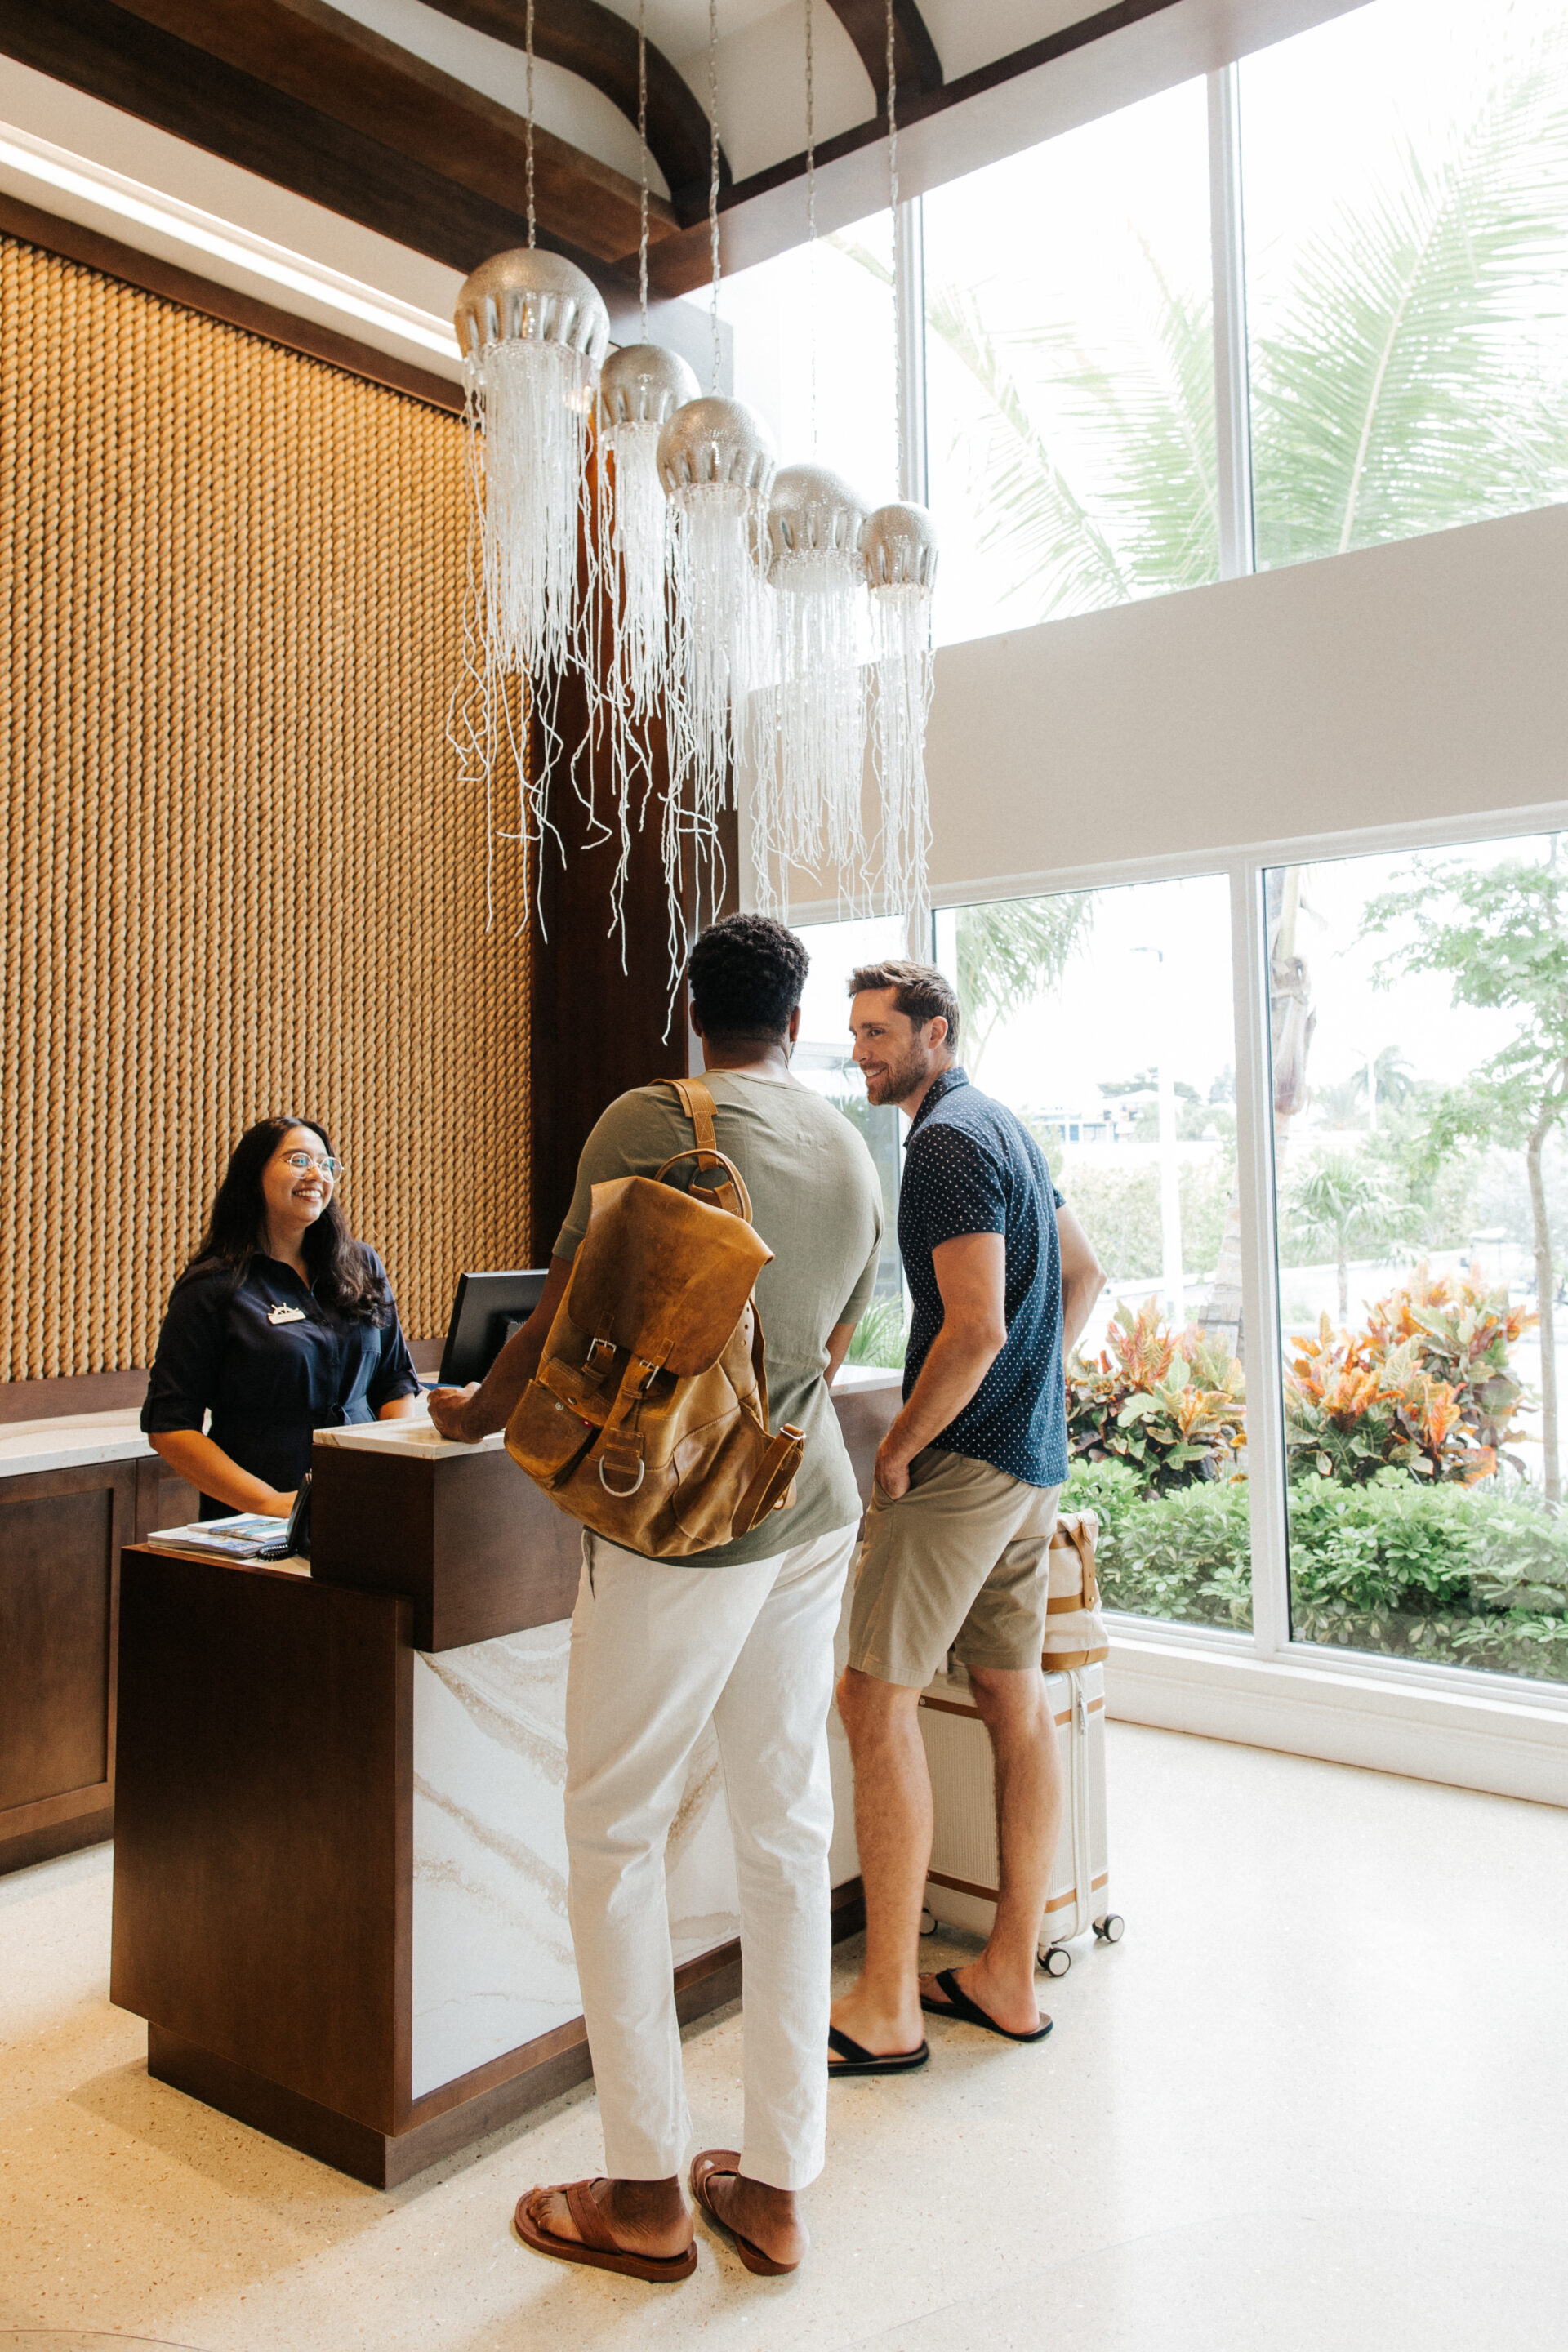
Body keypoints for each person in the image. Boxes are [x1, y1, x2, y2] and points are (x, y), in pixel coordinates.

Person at [428, 913, 884, 2283]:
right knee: (786, 1834)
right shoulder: (855, 1149)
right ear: (796, 1021)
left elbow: (567, 1304)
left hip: (684, 1530)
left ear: (694, 1010)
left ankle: (642, 2195)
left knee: (614, 1835)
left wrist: (472, 1413)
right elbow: (842, 1334)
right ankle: (778, 2185)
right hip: (810, 1513)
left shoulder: (651, 1117)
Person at [829, 960, 1104, 2074]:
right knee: (1010, 1696)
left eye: (880, 1033)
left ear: (935, 1033)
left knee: (871, 1700)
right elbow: (1083, 1275)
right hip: (1032, 1464)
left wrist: (897, 1449)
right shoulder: (1006, 1127)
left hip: (962, 1468)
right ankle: (1003, 1975)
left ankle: (889, 2006)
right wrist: (1035, 1389)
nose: (861, 1052)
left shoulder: (942, 1144)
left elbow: (976, 1327)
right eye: (853, 1034)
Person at [143, 1115, 422, 1517]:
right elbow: (170, 1427)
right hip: (262, 1517)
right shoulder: (212, 1287)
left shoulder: (361, 1264)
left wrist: (393, 1465)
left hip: (365, 1501)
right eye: (298, 1160)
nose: (316, 1174)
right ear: (254, 1175)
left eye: (326, 1164)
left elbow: (394, 1380)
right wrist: (268, 1502)